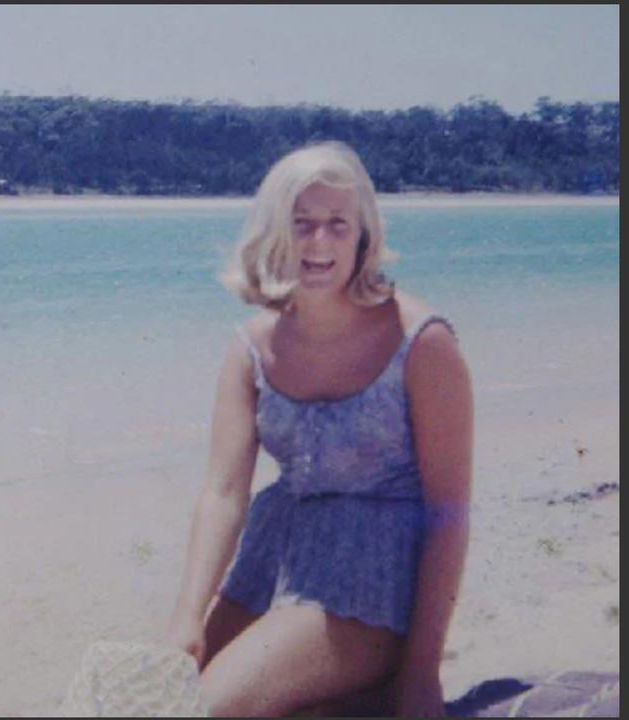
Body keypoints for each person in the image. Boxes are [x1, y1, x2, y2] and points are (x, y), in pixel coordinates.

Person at [163, 142, 472, 716]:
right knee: (162, 700)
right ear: (274, 232)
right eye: (301, 224)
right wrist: (186, 616)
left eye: (337, 224)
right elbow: (224, 494)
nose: (319, 243)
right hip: (272, 563)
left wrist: (422, 671)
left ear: (363, 234)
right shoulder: (251, 349)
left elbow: (449, 511)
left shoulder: (423, 343)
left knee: (208, 709)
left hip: (372, 588)